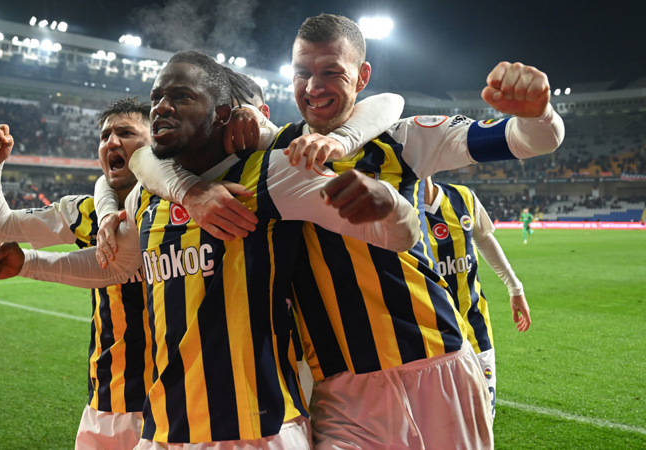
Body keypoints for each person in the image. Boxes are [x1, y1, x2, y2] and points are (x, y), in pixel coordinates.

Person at [120, 14, 565, 449]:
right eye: (302, 73)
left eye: (331, 72)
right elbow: (147, 156)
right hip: (342, 389)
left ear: (362, 76)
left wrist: (539, 114)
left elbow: (528, 140)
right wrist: (189, 190)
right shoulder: (275, 148)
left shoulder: (403, 140)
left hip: (435, 362)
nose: (314, 86)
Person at [0, 50, 417, 449]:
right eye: (157, 97)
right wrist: (28, 262)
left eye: (181, 96)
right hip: (165, 430)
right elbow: (117, 266)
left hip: (257, 430)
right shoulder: (147, 195)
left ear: (224, 113)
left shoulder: (269, 174)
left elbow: (397, 236)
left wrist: (391, 205)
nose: (161, 107)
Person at [0, 98, 154, 450]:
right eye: (104, 136)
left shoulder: (176, 211)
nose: (111, 141)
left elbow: (119, 266)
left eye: (126, 132)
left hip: (169, 400)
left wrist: (27, 263)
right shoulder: (84, 211)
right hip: (105, 399)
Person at [423, 177, 532, 420]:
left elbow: (483, 238)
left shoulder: (464, 198)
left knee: (484, 416)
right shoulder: (397, 208)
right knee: (443, 422)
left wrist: (515, 287)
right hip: (429, 336)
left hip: (475, 325)